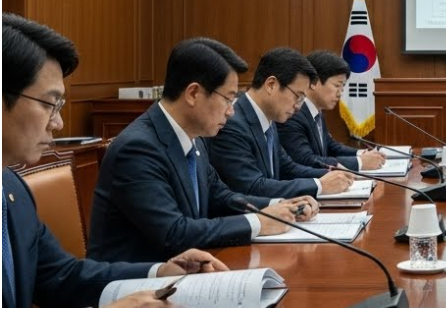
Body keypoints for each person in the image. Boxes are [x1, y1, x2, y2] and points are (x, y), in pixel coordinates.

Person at [2, 13, 228, 308]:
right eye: (49, 104)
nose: (58, 123)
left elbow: (62, 276)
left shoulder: (12, 187)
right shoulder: (138, 146)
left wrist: (161, 272)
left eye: (60, 106)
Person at [89, 38, 319, 263]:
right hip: (140, 280)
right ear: (193, 93)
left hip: (188, 269)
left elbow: (221, 197)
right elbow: (174, 233)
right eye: (228, 99)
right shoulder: (138, 149)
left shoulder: (194, 139)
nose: (231, 111)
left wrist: (278, 206)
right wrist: (258, 223)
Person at [207, 48, 355, 199]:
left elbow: (287, 168)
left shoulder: (269, 119)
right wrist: (319, 185)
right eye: (298, 96)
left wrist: (332, 174)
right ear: (271, 85)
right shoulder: (233, 125)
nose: (298, 107)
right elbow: (252, 186)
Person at [278, 51, 385, 171]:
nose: (340, 93)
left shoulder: (316, 111)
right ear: (314, 82)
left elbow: (330, 146)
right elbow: (305, 160)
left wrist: (361, 153)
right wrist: (359, 162)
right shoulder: (292, 114)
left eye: (343, 87)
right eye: (337, 86)